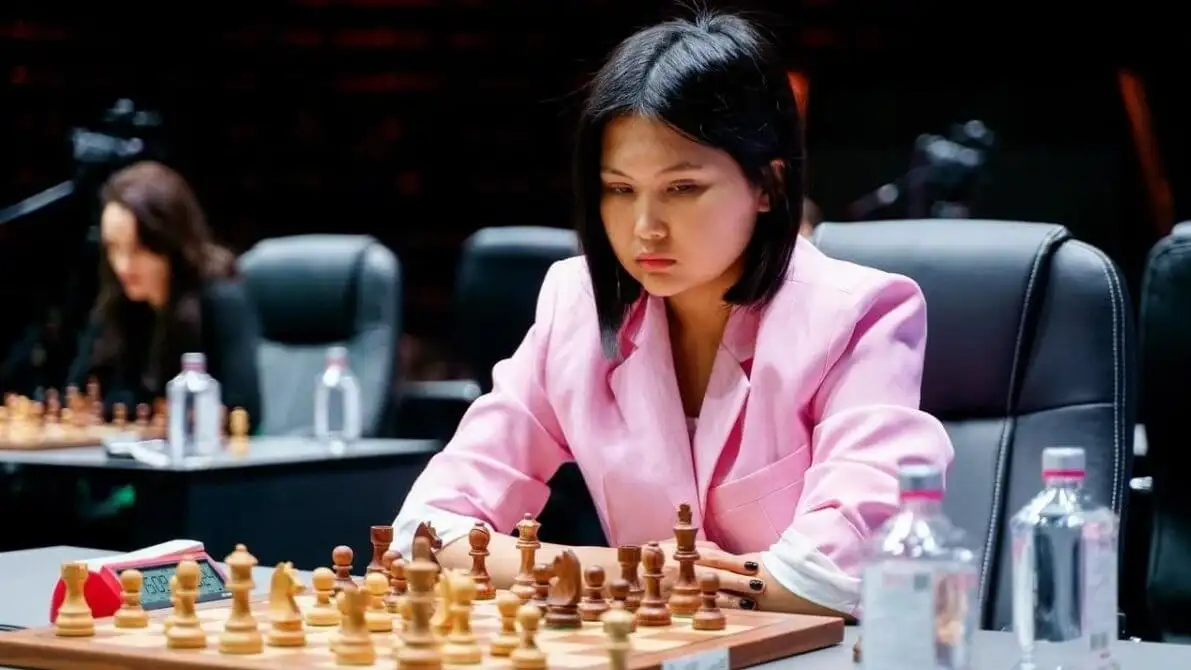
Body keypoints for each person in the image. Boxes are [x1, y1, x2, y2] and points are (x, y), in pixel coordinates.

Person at [392, 10, 953, 618]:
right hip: (657, 648)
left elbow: (842, 573)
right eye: (619, 189)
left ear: (769, 185)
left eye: (682, 188)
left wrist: (648, 579)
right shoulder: (578, 305)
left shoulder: (860, 315)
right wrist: (623, 571)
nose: (645, 228)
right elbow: (425, 533)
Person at [67, 160, 263, 429]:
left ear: (169, 243)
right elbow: (77, 396)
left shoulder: (222, 299)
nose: (123, 265)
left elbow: (244, 410)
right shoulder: (118, 301)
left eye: (138, 249)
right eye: (114, 248)